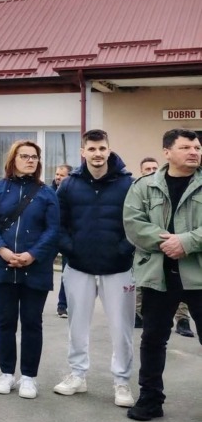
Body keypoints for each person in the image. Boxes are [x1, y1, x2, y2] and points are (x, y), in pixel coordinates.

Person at [51, 130, 136, 407]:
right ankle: (77, 375)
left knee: (121, 327)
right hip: (79, 266)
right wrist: (70, 248)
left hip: (119, 267)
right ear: (82, 151)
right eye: (92, 149)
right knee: (77, 325)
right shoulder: (69, 185)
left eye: (102, 148)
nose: (98, 154)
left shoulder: (128, 183)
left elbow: (136, 222)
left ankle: (122, 382)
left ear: (109, 150)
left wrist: (123, 249)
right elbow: (58, 223)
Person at [123, 128, 202, 422]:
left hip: (198, 276)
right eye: (186, 147)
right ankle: (150, 399)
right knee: (153, 339)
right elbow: (133, 223)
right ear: (167, 152)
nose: (194, 152)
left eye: (196, 147)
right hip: (159, 276)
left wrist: (188, 242)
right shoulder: (144, 186)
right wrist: (167, 242)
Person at [0, 140, 59, 398]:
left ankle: (28, 377)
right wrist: (2, 250)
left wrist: (33, 254)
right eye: (24, 156)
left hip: (35, 267)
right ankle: (6, 373)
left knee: (32, 322)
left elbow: (53, 229)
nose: (30, 160)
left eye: (34, 157)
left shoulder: (47, 193)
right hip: (2, 266)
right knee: (5, 320)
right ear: (13, 159)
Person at [132, 157, 193, 336]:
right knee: (144, 286)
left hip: (186, 254)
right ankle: (138, 314)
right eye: (147, 168)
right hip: (151, 252)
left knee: (185, 287)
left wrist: (183, 242)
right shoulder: (140, 189)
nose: (151, 170)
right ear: (141, 171)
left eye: (154, 167)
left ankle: (182, 320)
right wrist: (166, 242)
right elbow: (134, 221)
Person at [52, 164, 73, 318]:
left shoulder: (72, 193)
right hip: (50, 238)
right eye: (57, 174)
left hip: (66, 237)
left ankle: (63, 305)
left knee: (67, 272)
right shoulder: (48, 191)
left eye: (62, 175)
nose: (58, 177)